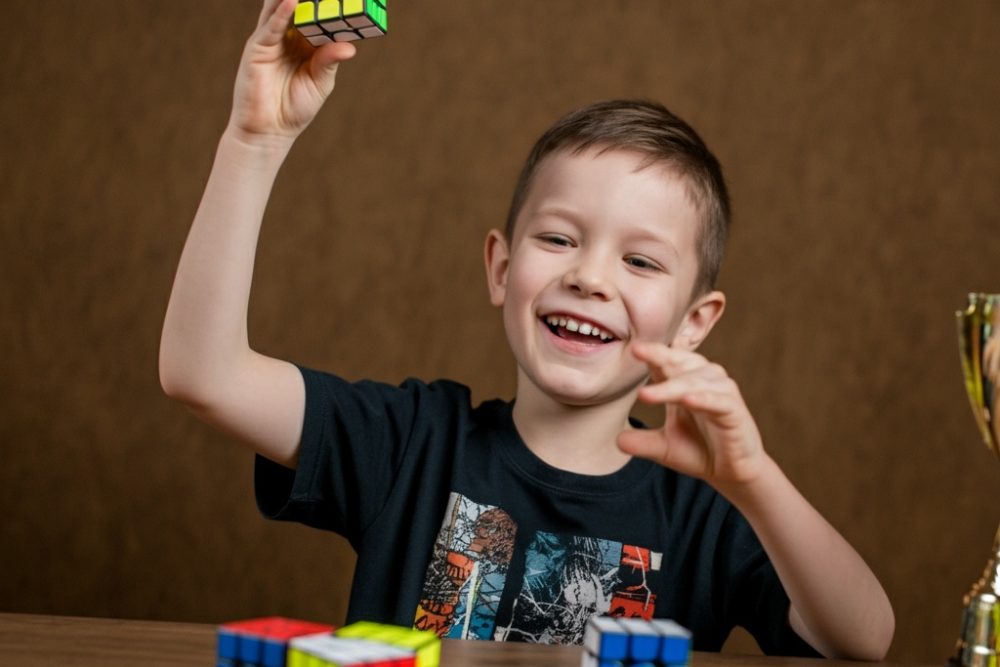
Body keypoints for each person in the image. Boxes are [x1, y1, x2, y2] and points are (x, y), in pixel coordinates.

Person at [159, 0, 894, 658]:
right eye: (559, 239)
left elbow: (865, 639)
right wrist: (253, 143)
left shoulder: (705, 511)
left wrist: (754, 480)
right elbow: (203, 373)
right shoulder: (411, 440)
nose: (591, 277)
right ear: (500, 268)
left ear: (695, 322)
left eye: (639, 259)